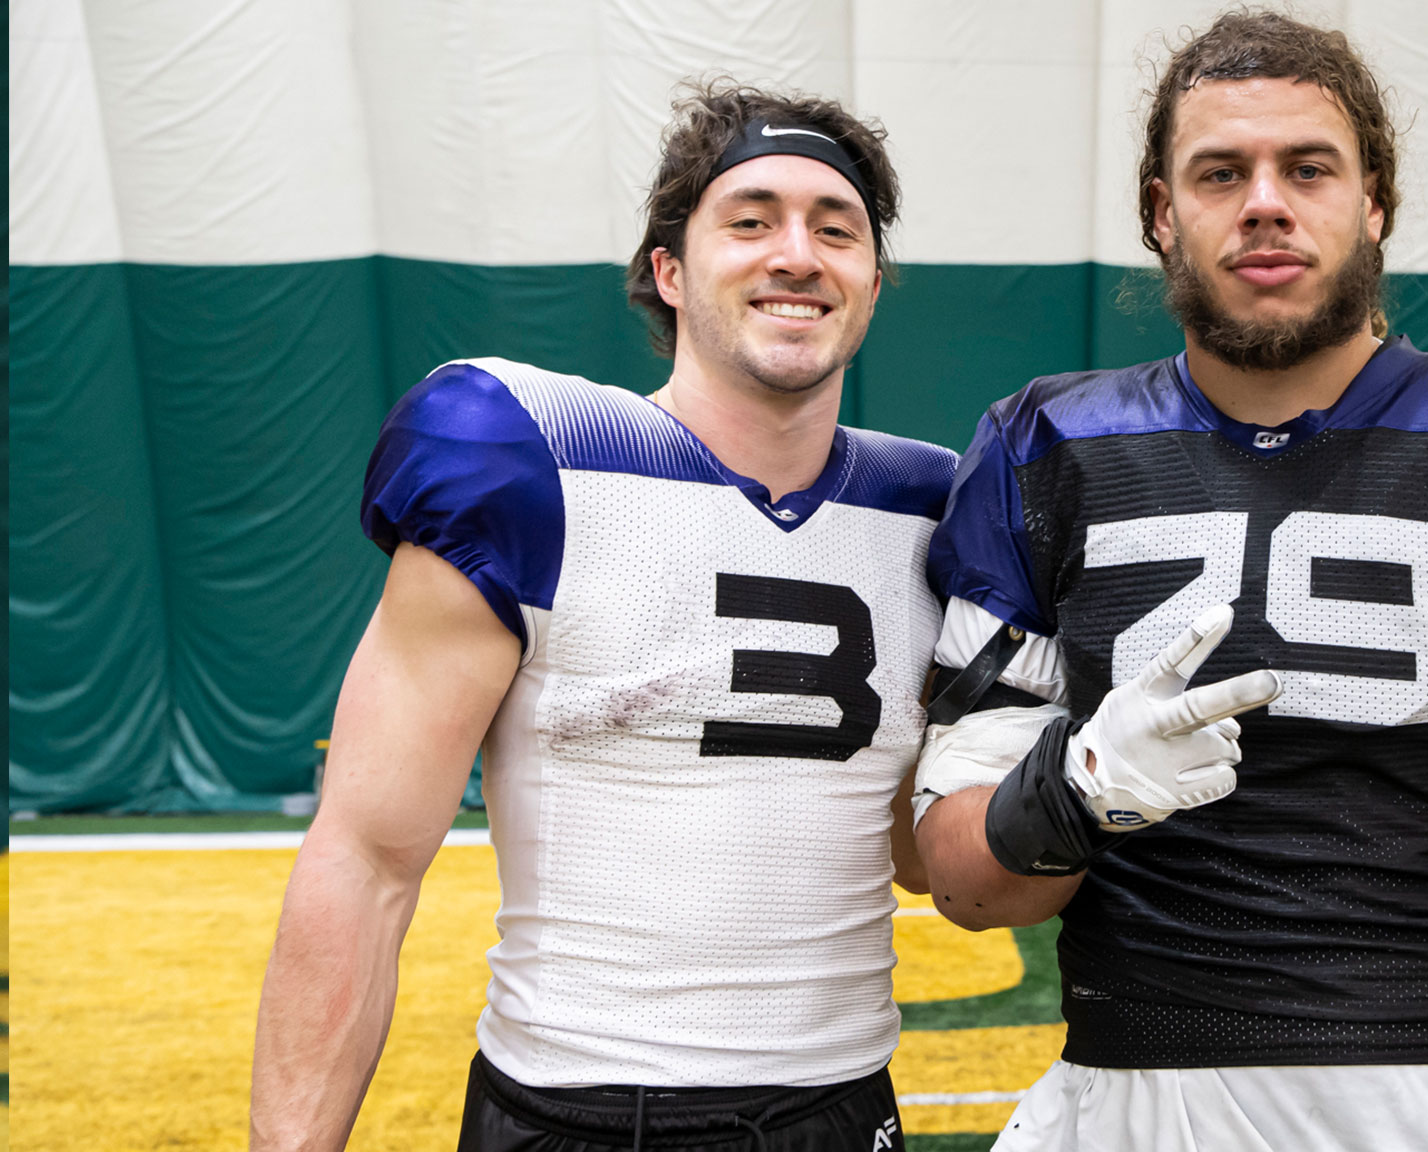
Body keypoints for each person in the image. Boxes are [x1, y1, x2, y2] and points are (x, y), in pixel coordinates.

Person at [910, 11, 1428, 1152]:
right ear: (1161, 216)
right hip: (1133, 1098)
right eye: (1220, 173)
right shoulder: (1041, 448)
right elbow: (968, 886)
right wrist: (1075, 791)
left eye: (1307, 168)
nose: (1264, 202)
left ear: (1375, 202)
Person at [250, 81, 956, 1152]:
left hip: (845, 1108)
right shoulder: (535, 455)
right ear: (670, 270)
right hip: (578, 1113)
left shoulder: (932, 509)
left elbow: (920, 856)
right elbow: (367, 859)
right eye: (751, 219)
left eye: (836, 229)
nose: (798, 255)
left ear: (869, 279)